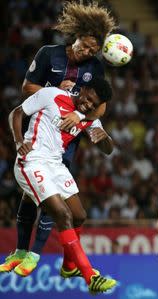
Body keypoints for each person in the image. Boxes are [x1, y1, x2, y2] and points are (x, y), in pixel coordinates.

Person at [0, 1, 116, 276]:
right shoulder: (49, 54)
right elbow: (27, 88)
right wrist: (55, 92)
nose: (87, 52)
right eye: (85, 45)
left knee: (51, 197)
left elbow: (100, 104)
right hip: (41, 123)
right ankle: (21, 251)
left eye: (93, 50)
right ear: (75, 37)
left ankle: (35, 254)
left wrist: (82, 118)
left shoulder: (95, 67)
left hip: (66, 138)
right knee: (31, 195)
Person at [8, 77, 117, 293]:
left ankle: (68, 267)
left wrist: (104, 138)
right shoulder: (52, 95)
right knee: (63, 216)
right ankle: (90, 276)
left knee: (79, 215)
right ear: (83, 89)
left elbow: (107, 149)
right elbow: (16, 113)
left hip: (56, 165)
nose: (88, 104)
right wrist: (19, 141)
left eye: (94, 104)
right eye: (88, 98)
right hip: (33, 161)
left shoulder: (88, 118)